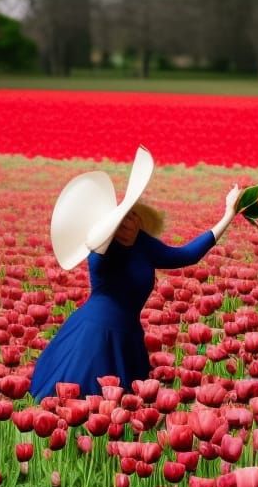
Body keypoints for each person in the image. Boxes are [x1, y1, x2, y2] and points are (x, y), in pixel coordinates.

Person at [30, 146, 241, 401]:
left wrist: (229, 213)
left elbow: (187, 255)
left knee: (123, 407)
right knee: (82, 400)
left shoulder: (145, 245)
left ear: (139, 219)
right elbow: (97, 244)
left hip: (128, 335)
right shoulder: (101, 252)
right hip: (94, 336)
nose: (126, 226)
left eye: (130, 218)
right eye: (119, 223)